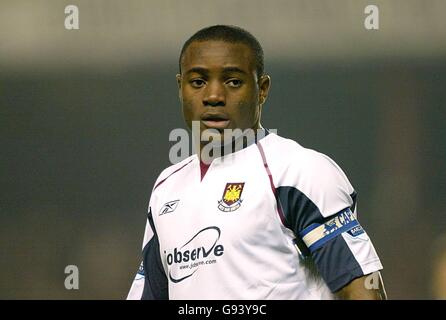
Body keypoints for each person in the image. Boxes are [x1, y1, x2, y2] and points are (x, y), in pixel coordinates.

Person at [127, 25, 386, 300]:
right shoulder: (167, 187)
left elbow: (363, 289)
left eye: (233, 81)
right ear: (180, 88)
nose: (213, 95)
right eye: (198, 82)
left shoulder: (299, 172)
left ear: (262, 89)